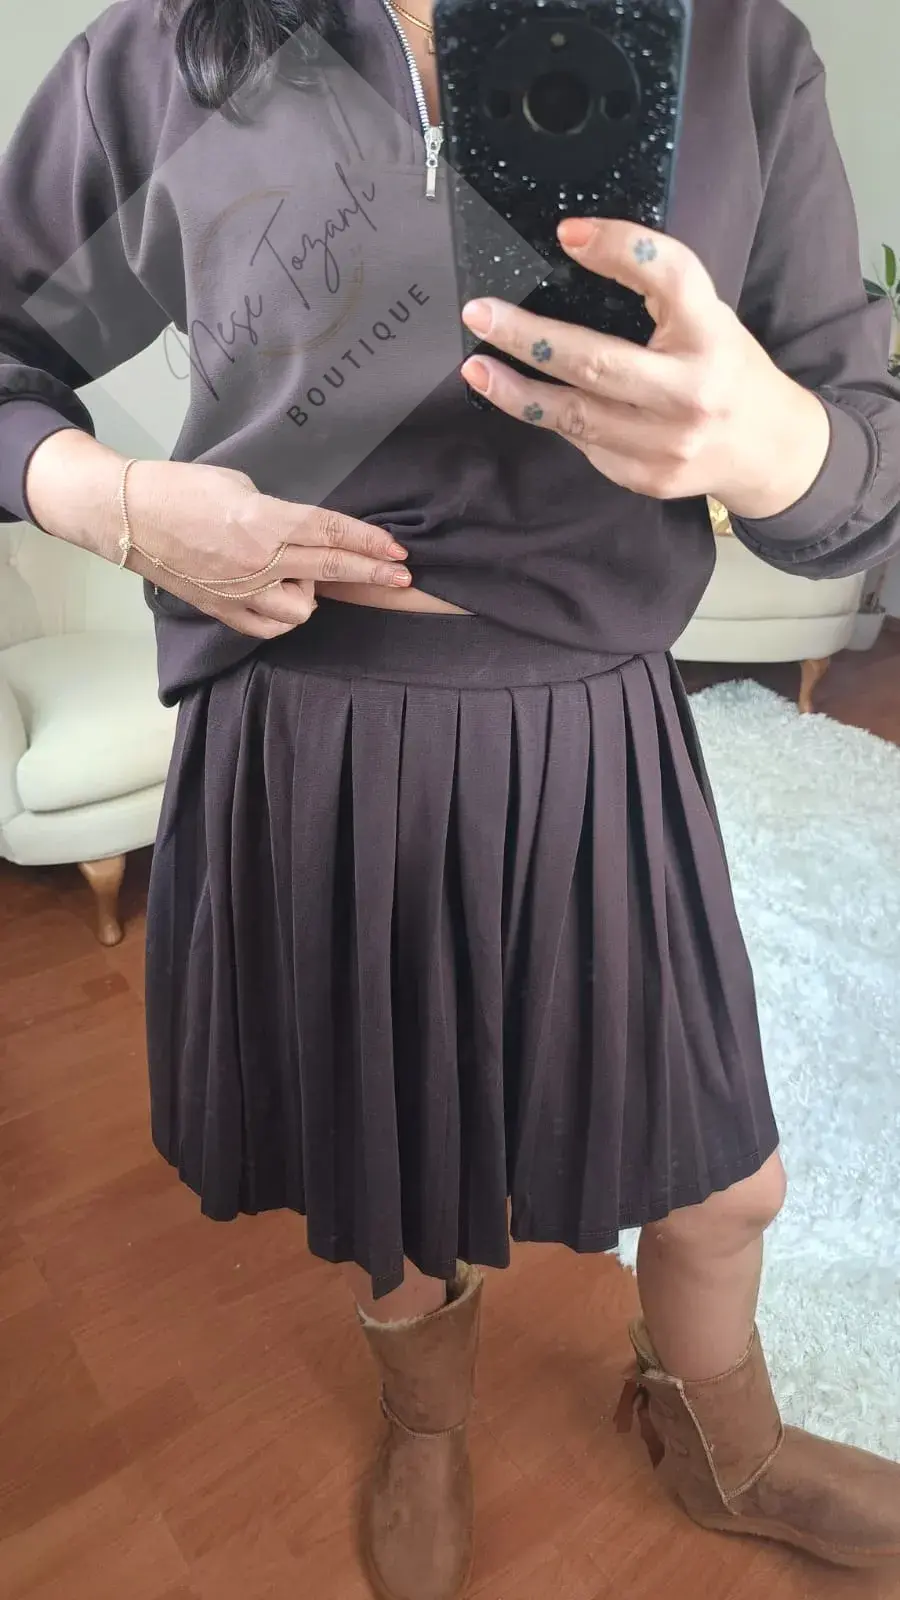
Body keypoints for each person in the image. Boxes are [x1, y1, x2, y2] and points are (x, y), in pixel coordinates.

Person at [1, 0, 899, 1594]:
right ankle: (425, 1424)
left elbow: (861, 477)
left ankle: (727, 1444)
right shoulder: (170, 53)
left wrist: (775, 448)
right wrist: (115, 501)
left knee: (726, 1179)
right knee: (393, 1178)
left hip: (593, 727)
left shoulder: (735, 46)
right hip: (308, 735)